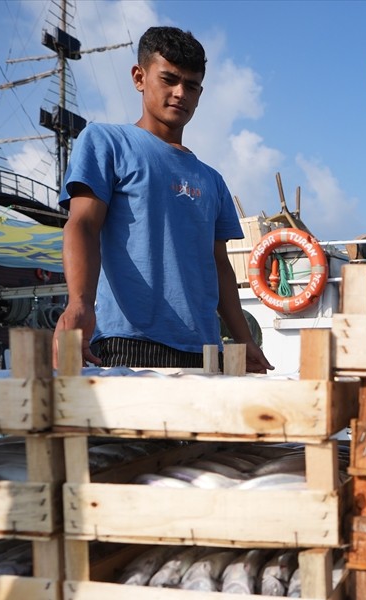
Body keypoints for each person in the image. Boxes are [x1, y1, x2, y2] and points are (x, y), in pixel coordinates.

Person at [53, 26, 271, 372]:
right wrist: (79, 302)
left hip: (205, 351)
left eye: (192, 85)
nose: (180, 92)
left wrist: (244, 339)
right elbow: (82, 224)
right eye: (169, 79)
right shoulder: (106, 142)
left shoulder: (212, 180)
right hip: (126, 342)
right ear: (139, 77)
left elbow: (219, 266)